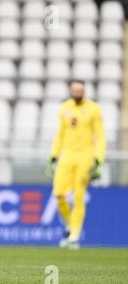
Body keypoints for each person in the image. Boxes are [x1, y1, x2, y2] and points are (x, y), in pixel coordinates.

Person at [45, 80, 106, 249]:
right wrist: (53, 156)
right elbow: (60, 135)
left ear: (84, 91)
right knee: (58, 194)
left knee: (79, 196)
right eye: (75, 90)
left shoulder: (94, 109)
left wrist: (98, 160)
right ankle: (70, 226)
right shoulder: (64, 108)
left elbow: (100, 137)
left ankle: (74, 237)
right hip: (66, 156)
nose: (77, 93)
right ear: (71, 91)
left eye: (80, 90)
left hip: (85, 157)